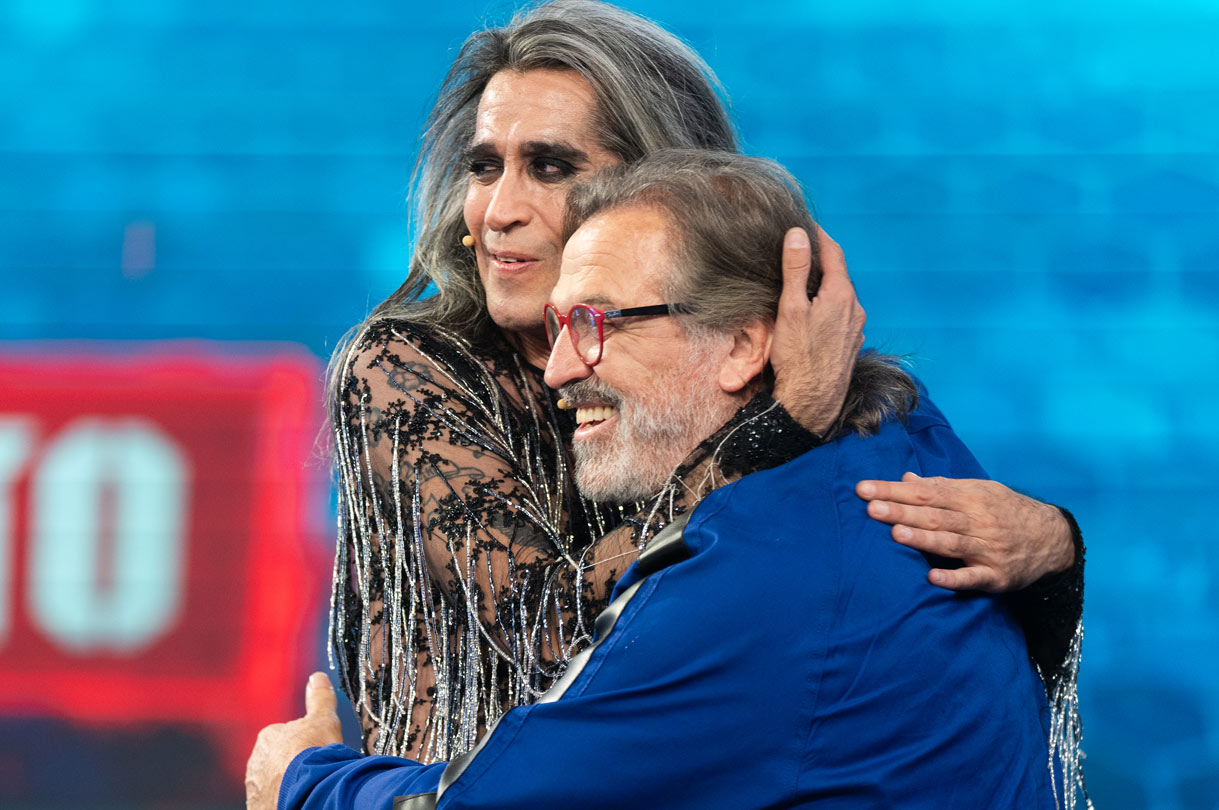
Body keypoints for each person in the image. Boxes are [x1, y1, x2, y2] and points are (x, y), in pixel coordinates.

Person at [321, 0, 1082, 769]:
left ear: (658, 188)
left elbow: (949, 646)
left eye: (549, 167)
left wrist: (1052, 549)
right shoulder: (402, 368)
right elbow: (541, 630)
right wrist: (775, 433)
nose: (497, 212)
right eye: (484, 166)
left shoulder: (795, 366)